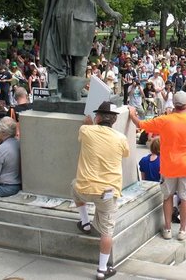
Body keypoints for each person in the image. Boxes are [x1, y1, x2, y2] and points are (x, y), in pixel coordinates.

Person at [128, 91, 186, 241]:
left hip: (169, 165)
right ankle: (182, 230)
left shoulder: (164, 120)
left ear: (173, 105)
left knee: (167, 196)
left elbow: (141, 125)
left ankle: (168, 229)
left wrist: (132, 114)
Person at [72, 101, 129, 280]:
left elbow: (84, 129)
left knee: (73, 186)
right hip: (108, 192)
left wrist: (88, 123)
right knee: (106, 231)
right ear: (114, 120)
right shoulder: (120, 138)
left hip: (84, 187)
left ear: (97, 117)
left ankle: (85, 222)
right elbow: (126, 154)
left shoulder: (86, 131)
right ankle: (102, 270)